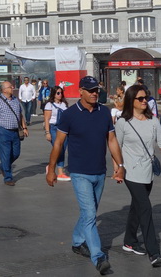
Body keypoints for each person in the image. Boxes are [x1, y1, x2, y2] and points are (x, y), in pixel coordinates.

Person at [45, 76, 124, 276]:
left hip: (100, 171)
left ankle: (77, 241)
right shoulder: (70, 114)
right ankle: (98, 257)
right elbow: (58, 144)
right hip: (79, 172)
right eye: (90, 90)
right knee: (89, 214)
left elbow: (112, 140)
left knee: (90, 212)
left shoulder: (104, 112)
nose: (94, 93)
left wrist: (120, 165)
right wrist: (52, 169)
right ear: (80, 91)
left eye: (96, 90)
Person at [115, 84, 161, 269]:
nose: (145, 101)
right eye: (141, 99)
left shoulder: (153, 121)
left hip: (148, 171)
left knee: (137, 207)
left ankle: (129, 241)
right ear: (131, 101)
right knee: (145, 208)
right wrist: (118, 168)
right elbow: (115, 147)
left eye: (146, 98)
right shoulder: (123, 123)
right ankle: (154, 252)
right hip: (130, 171)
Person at [0, 81, 28, 186]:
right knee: (6, 154)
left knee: (16, 153)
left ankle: (3, 166)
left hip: (15, 131)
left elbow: (20, 114)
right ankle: (8, 177)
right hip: (3, 131)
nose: (12, 88)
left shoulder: (15, 100)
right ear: (4, 90)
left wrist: (24, 127)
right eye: (10, 87)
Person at [44, 85, 70, 181]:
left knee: (63, 148)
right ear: (53, 94)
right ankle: (59, 172)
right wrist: (47, 132)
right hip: (54, 128)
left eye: (61, 93)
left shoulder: (64, 104)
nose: (60, 95)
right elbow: (46, 119)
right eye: (58, 93)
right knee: (58, 148)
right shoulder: (49, 105)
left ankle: (54, 168)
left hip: (64, 129)